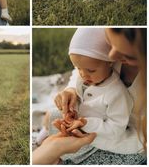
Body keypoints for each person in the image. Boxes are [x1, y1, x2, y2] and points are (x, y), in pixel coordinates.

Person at [51, 28, 147, 165]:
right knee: (53, 117)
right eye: (110, 43)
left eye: (128, 56)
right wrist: (72, 90)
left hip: (127, 140)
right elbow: (83, 65)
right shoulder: (107, 54)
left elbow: (116, 129)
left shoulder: (117, 93)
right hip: (95, 121)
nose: (111, 56)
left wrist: (86, 124)